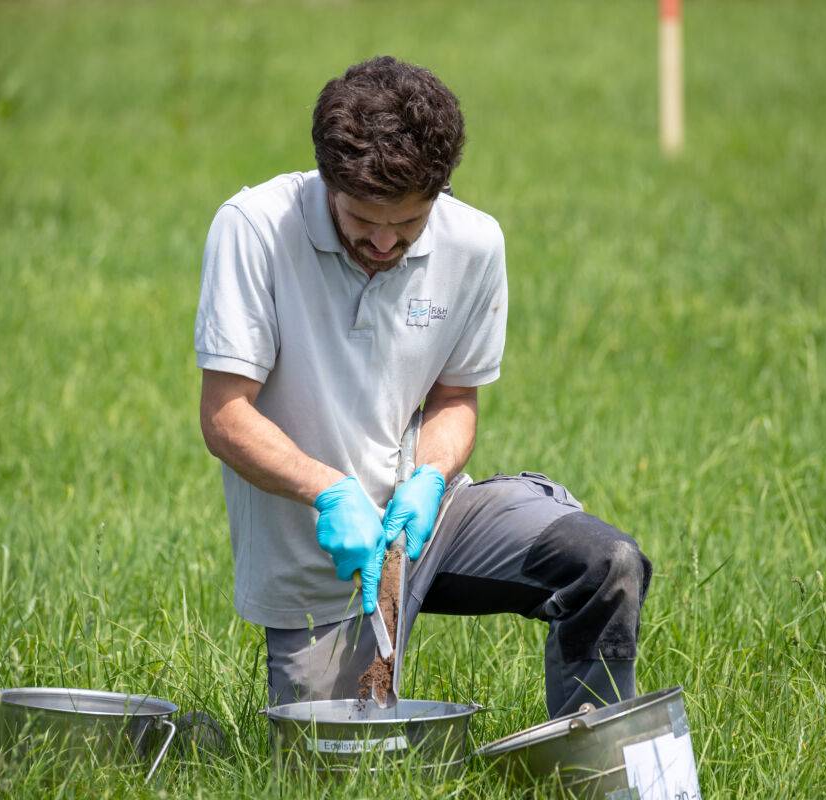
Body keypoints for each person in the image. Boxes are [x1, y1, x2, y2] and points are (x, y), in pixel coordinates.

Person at [195, 56, 650, 718]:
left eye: (407, 224)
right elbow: (224, 416)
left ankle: (596, 768)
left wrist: (430, 478)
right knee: (338, 767)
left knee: (605, 564)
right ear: (328, 181)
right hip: (318, 552)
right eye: (362, 219)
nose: (383, 241)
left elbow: (454, 400)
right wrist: (329, 491)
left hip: (431, 520)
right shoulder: (254, 229)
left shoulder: (475, 243)